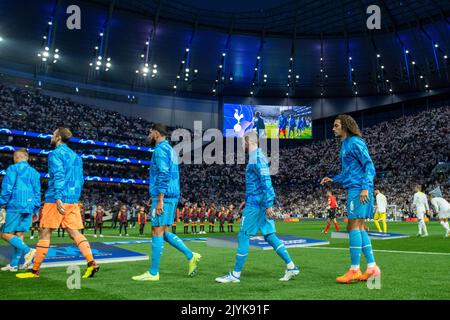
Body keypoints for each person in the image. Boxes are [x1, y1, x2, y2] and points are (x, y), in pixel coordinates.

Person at [216, 132, 299, 283]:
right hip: (257, 202)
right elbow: (259, 183)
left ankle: (235, 275)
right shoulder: (257, 157)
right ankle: (291, 266)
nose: (241, 145)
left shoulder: (257, 158)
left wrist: (268, 204)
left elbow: (267, 182)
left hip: (257, 205)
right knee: (269, 235)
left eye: (242, 142)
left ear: (248, 141)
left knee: (243, 235)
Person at [17, 127, 100, 279]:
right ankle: (91, 263)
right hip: (73, 200)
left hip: (56, 200)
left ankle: (34, 271)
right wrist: (73, 197)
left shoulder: (55, 154)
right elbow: (80, 180)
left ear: (59, 137)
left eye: (53, 134)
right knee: (74, 232)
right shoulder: (76, 157)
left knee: (45, 231)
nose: (51, 136)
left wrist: (58, 197)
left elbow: (59, 176)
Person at [132, 123, 201, 282]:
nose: (149, 135)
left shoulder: (159, 150)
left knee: (156, 231)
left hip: (165, 197)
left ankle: (153, 272)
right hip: (170, 195)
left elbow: (163, 173)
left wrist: (160, 199)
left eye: (150, 132)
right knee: (165, 232)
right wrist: (155, 194)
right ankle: (191, 255)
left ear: (156, 133)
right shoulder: (170, 149)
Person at [320, 114, 380, 284]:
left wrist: (364, 187)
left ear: (345, 126)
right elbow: (348, 172)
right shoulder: (345, 144)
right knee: (359, 226)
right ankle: (372, 267)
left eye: (336, 125)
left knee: (352, 225)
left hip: (359, 188)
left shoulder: (355, 142)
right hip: (355, 187)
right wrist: (333, 179)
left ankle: (354, 269)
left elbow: (369, 165)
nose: (333, 128)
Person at [0, 149, 40, 272]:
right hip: (29, 206)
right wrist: (36, 209)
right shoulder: (35, 172)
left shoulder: (13, 168)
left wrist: (2, 204)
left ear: (17, 157)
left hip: (15, 204)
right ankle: (13, 265)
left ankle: (28, 251)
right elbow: (37, 192)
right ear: (26, 158)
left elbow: (7, 187)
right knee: (19, 234)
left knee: (4, 233)